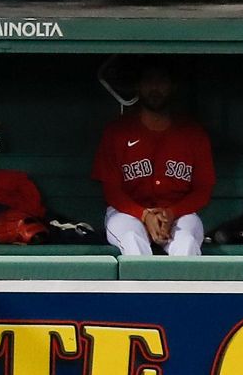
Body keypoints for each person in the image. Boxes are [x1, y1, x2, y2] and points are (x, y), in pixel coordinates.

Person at [92, 60, 215, 257]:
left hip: (179, 213)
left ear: (173, 86)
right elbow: (111, 191)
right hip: (126, 213)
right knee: (133, 241)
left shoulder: (193, 133)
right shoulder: (117, 132)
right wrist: (144, 215)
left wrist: (172, 213)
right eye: (149, 81)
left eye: (162, 81)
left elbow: (202, 190)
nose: (155, 87)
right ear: (138, 86)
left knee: (187, 244)